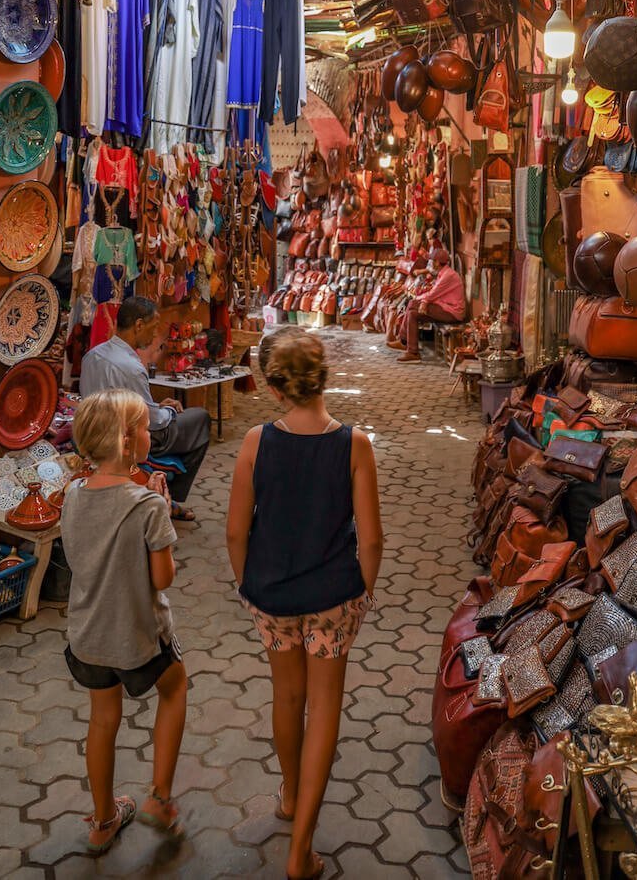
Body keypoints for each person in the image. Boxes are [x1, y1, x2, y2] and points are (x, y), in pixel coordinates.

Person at [226, 330, 383, 880]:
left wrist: (249, 585)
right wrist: (363, 591)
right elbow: (371, 538)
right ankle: (301, 851)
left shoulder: (254, 442)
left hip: (271, 594)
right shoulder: (354, 444)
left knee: (287, 698)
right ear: (324, 377)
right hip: (333, 597)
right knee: (324, 710)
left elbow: (234, 531)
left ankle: (290, 796)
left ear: (273, 388)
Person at [61, 389, 188, 854]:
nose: (149, 431)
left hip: (88, 636)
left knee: (102, 721)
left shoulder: (72, 495)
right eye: (142, 425)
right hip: (139, 636)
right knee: (175, 690)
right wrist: (161, 512)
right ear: (126, 441)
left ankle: (102, 819)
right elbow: (163, 577)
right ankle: (159, 797)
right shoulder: (147, 505)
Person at [80, 296, 210, 521]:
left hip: (96, 429)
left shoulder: (93, 356)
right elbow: (154, 420)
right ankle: (170, 496)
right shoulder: (131, 367)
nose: (154, 333)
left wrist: (156, 405)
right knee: (200, 419)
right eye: (153, 327)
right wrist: (167, 411)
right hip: (127, 434)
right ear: (138, 325)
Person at [390, 246, 465, 362]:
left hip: (452, 312)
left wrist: (422, 300)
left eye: (433, 261)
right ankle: (410, 349)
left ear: (437, 262)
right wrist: (423, 301)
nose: (431, 264)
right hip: (444, 307)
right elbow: (434, 294)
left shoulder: (448, 276)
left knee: (413, 304)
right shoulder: (442, 274)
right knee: (412, 313)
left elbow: (433, 293)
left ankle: (406, 344)